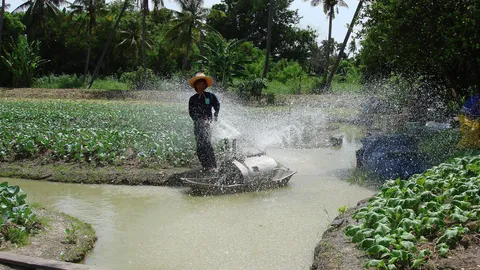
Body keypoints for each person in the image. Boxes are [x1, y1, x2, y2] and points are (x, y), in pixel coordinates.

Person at [188, 72, 220, 171]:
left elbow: (217, 105)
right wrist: (198, 120)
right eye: (199, 83)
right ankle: (205, 166)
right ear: (196, 85)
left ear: (206, 85)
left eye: (203, 83)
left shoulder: (210, 96)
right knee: (199, 145)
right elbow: (191, 112)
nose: (201, 85)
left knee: (207, 144)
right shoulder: (193, 99)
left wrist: (215, 115)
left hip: (208, 124)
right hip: (198, 125)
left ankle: (213, 166)